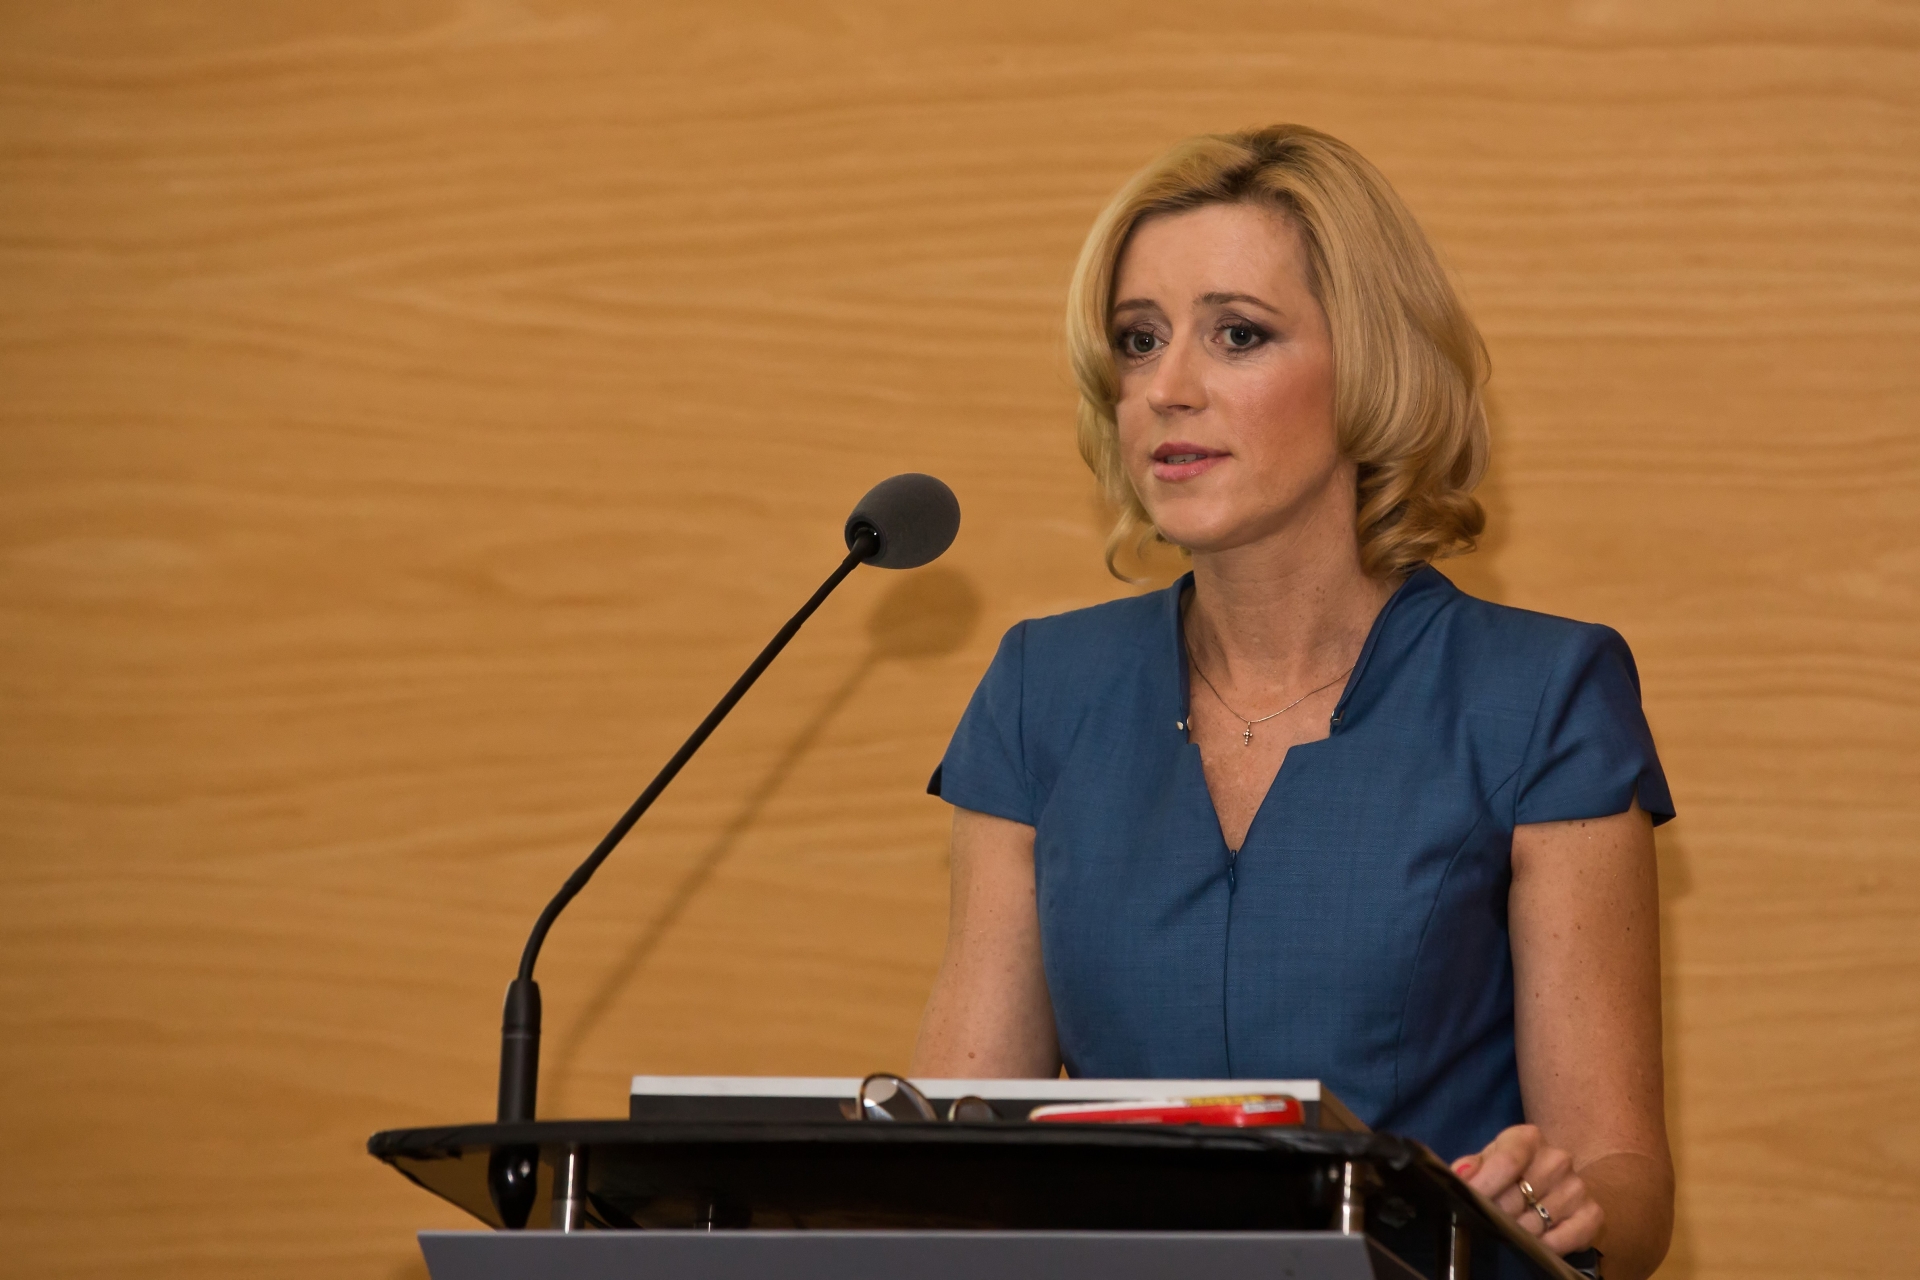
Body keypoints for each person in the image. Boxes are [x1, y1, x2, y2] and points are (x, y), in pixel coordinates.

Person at [910, 125, 1675, 1279]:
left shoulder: (1538, 695)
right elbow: (947, 1157)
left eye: (1238, 334)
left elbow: (1627, 1182)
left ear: (1368, 369)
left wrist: (1561, 1197)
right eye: (1138, 340)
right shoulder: (1041, 690)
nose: (1167, 388)